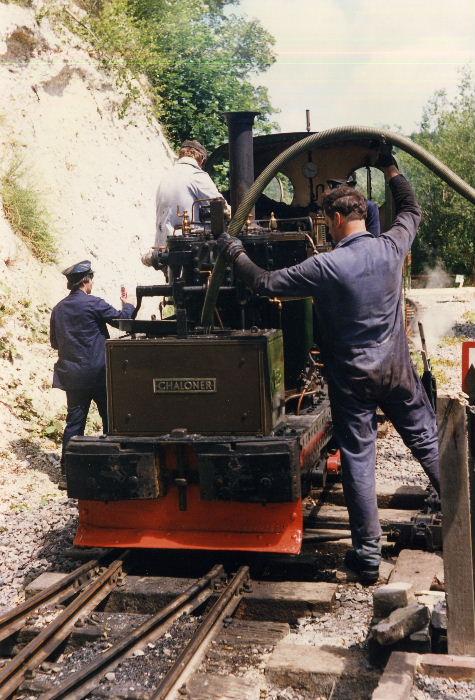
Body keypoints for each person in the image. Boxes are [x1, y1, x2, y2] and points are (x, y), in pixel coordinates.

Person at [216, 147, 440, 584]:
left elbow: (263, 283)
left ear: (336, 221)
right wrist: (390, 166)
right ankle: (465, 517)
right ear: (361, 213)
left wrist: (233, 250)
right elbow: (411, 208)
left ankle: (369, 558)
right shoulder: (392, 246)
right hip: (397, 370)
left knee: (359, 458)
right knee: (429, 443)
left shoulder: (326, 264)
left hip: (352, 378)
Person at [50, 260, 135, 481]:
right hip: (99, 375)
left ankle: (68, 471)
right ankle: (111, 465)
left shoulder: (58, 309)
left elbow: (54, 343)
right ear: (86, 281)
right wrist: (128, 304)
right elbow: (124, 320)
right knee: (110, 418)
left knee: (74, 423)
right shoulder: (93, 303)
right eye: (91, 280)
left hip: (73, 377)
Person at [142, 139, 230, 265]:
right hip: (190, 249)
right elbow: (221, 207)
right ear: (202, 159)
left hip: (162, 248)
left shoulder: (167, 176)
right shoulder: (196, 175)